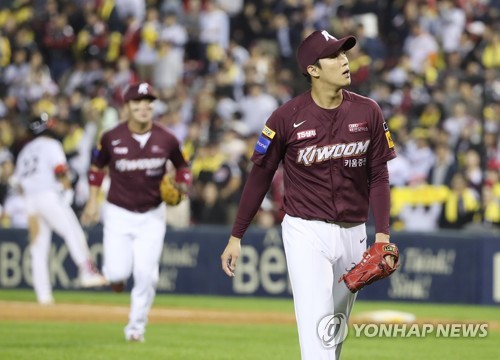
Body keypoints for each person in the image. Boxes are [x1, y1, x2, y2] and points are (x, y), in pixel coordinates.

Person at [220, 30, 397, 359]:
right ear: (313, 70)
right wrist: (237, 235)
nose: (344, 60)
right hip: (305, 230)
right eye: (334, 56)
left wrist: (382, 234)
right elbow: (260, 176)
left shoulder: (368, 111)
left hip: (354, 233)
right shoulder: (285, 118)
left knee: (335, 330)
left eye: (345, 53)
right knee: (317, 330)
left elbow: (379, 174)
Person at [80, 82, 192, 342]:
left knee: (146, 274)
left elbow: (183, 166)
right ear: (127, 107)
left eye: (148, 102)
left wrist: (183, 185)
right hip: (118, 212)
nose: (144, 107)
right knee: (117, 274)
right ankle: (116, 279)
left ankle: (135, 328)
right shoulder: (111, 137)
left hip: (152, 215)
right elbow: (97, 169)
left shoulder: (167, 138)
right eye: (137, 103)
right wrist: (93, 202)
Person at [13, 113, 107, 306]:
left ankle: (43, 296)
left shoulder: (24, 152)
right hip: (49, 196)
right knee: (72, 231)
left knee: (39, 248)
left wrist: (30, 198)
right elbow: (59, 170)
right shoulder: (51, 145)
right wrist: (67, 188)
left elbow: (17, 183)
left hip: (30, 201)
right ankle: (86, 270)